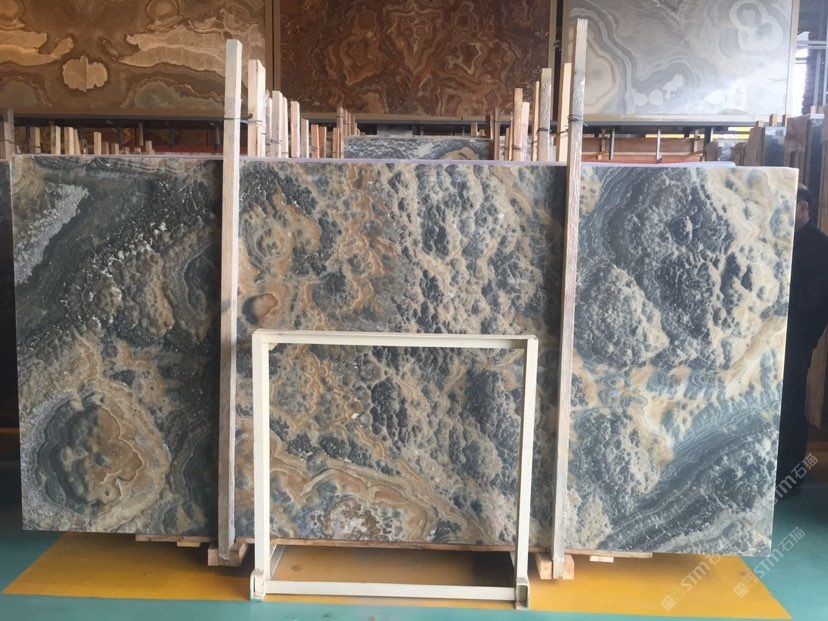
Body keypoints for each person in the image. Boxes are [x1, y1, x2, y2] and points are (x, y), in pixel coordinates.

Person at [777, 184, 828, 493]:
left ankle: (789, 477)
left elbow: (813, 301)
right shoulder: (780, 240)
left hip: (797, 335)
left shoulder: (820, 246)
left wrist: (774, 299)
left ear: (802, 207)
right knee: (777, 401)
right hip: (775, 333)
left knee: (791, 400)